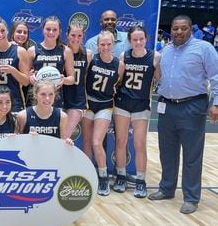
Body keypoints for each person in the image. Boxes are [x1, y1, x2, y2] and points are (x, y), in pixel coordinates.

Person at [148, 15, 218, 214]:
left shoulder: (204, 49)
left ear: (191, 29)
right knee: (167, 151)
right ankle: (166, 188)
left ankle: (191, 197)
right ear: (171, 30)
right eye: (175, 28)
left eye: (183, 28)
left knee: (192, 154)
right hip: (167, 107)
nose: (179, 32)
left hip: (193, 106)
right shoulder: (165, 51)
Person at [113, 26, 161, 198]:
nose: (138, 42)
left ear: (146, 39)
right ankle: (121, 176)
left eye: (141, 39)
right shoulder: (123, 56)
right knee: (120, 141)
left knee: (139, 144)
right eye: (135, 39)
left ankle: (141, 180)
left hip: (141, 105)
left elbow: (159, 79)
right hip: (123, 103)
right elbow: (118, 81)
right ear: (130, 41)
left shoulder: (154, 57)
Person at [82, 30, 123, 196]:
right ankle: (86, 174)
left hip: (105, 105)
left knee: (97, 142)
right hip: (88, 103)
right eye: (102, 44)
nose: (105, 47)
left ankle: (103, 177)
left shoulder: (119, 64)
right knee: (86, 142)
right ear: (98, 45)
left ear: (113, 45)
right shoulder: (92, 58)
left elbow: (119, 86)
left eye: (108, 44)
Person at [27, 16, 75, 108]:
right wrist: (30, 78)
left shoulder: (66, 51)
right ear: (43, 29)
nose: (51, 32)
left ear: (59, 31)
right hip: (36, 98)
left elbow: (72, 79)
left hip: (56, 98)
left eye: (54, 30)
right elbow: (26, 76)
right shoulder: (32, 50)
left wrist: (63, 80)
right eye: (48, 29)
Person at [0, 16, 30, 113]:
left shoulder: (20, 51)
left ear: (7, 31)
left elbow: (26, 82)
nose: (0, 34)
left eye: (3, 30)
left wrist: (13, 71)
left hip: (14, 102)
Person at [16, 80, 73, 145]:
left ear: (55, 95)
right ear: (35, 95)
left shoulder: (62, 116)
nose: (47, 98)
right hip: (29, 154)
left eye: (51, 94)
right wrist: (27, 139)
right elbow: (17, 144)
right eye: (43, 94)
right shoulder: (23, 116)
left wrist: (67, 142)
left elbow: (62, 142)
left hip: (52, 154)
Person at [64, 24, 93, 140]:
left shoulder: (88, 54)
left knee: (65, 136)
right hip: (60, 98)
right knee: (56, 137)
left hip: (77, 99)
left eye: (79, 36)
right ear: (67, 35)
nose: (76, 39)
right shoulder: (62, 51)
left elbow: (85, 77)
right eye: (73, 35)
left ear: (83, 37)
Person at [9, 20, 35, 107]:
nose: (22, 35)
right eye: (19, 32)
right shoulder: (7, 49)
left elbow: (27, 79)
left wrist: (31, 75)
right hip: (6, 93)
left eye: (25, 32)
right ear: (12, 33)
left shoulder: (28, 51)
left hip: (21, 95)